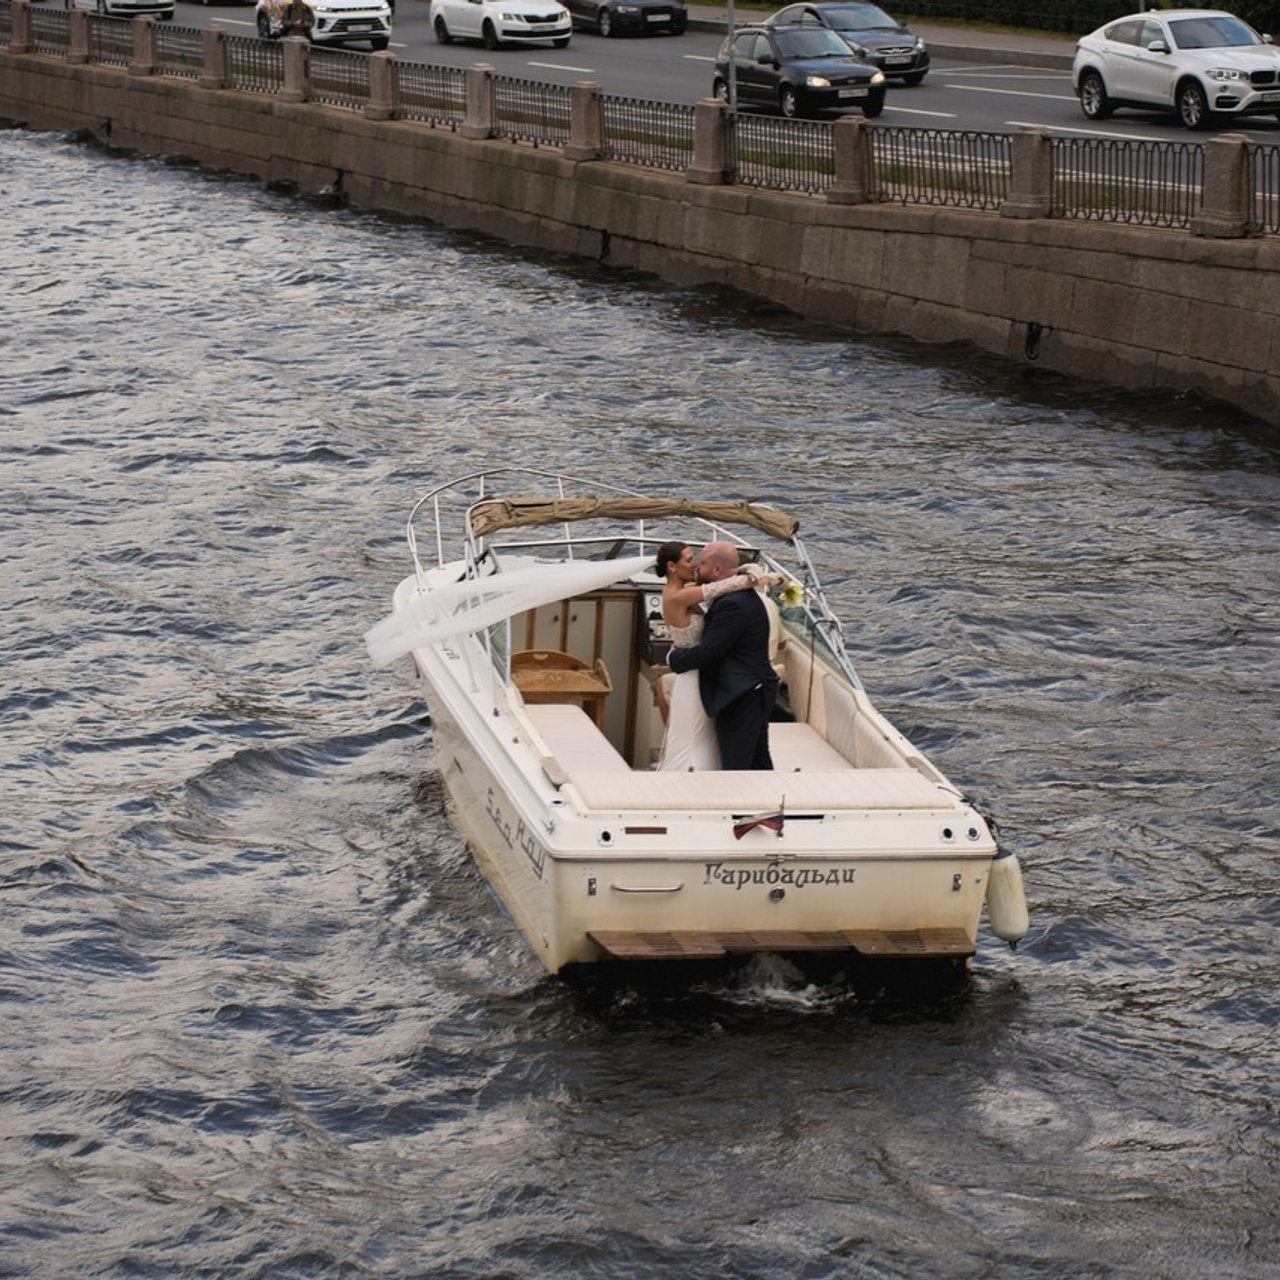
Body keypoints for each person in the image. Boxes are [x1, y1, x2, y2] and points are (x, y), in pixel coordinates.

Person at [653, 540, 777, 772]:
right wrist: (756, 574)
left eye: (699, 561)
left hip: (727, 684)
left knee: (728, 754)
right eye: (690, 560)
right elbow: (719, 587)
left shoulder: (716, 597)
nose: (697, 565)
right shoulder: (678, 596)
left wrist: (751, 570)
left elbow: (709, 652)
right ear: (672, 567)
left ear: (718, 569)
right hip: (698, 680)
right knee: (696, 742)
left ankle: (730, 796)